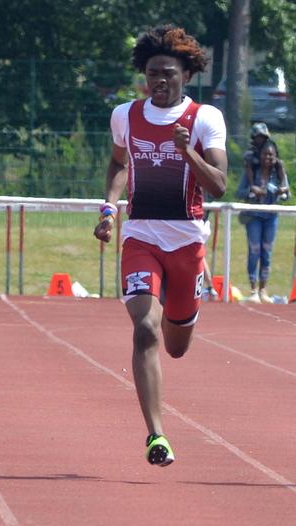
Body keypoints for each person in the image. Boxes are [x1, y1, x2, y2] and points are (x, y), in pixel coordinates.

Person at [93, 25, 227, 466]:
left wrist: (189, 153)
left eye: (168, 73)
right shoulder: (125, 115)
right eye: (152, 74)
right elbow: (118, 163)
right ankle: (157, 435)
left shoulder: (205, 118)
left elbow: (221, 185)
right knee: (145, 330)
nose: (159, 82)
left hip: (187, 240)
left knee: (176, 345)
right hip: (141, 237)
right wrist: (110, 209)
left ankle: (187, 303)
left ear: (186, 74)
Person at [236, 139, 290, 303]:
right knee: (254, 251)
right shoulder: (251, 171)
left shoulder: (279, 172)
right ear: (260, 156)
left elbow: (288, 195)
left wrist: (283, 192)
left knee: (267, 252)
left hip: (271, 216)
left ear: (275, 157)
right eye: (265, 154)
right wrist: (252, 190)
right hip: (254, 216)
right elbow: (239, 192)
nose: (268, 158)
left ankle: (263, 290)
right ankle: (253, 290)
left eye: (271, 155)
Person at [236, 122, 271, 198]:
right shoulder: (251, 164)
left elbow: (286, 195)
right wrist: (251, 190)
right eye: (258, 138)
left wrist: (272, 190)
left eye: (263, 138)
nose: (261, 141)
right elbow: (239, 193)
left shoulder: (275, 168)